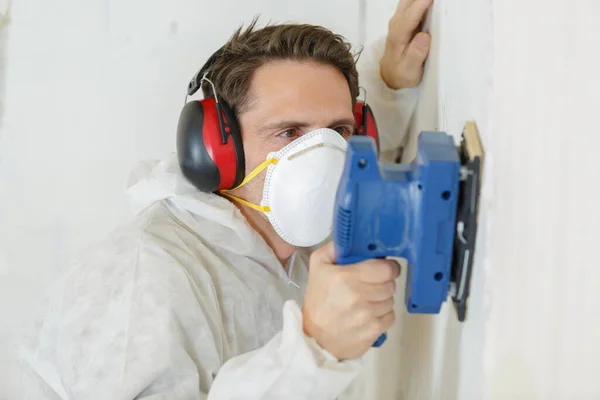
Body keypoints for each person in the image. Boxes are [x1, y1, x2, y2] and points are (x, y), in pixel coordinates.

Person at [18, 1, 432, 399]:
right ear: (217, 148)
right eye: (289, 133)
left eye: (338, 132)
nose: (321, 162)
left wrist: (389, 82)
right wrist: (312, 349)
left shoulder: (292, 245)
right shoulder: (143, 276)